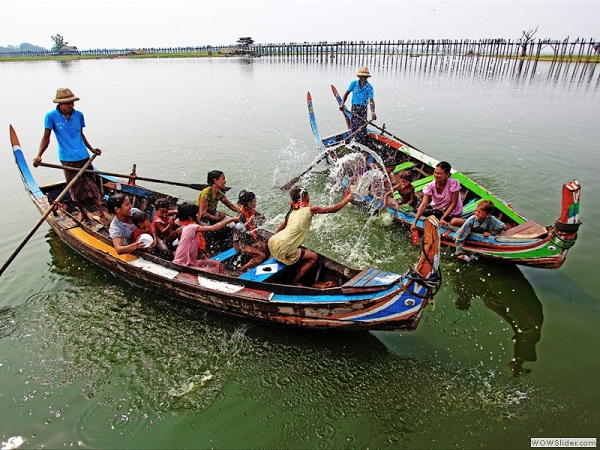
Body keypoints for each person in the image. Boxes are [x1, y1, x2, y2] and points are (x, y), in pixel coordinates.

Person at [33, 87, 109, 226]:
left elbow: (80, 134)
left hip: (83, 156)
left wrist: (92, 149)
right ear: (60, 104)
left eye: (72, 102)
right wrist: (39, 155)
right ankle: (82, 211)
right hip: (67, 159)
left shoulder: (79, 115)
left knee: (92, 185)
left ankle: (102, 213)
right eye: (68, 103)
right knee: (74, 188)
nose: (71, 105)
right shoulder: (51, 116)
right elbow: (46, 138)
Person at [268, 186, 352, 286]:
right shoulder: (310, 210)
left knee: (282, 249)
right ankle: (294, 282)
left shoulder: (292, 211)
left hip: (272, 241)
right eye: (308, 194)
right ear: (304, 197)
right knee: (314, 257)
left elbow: (278, 230)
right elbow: (333, 209)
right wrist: (346, 200)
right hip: (284, 246)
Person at [173, 202, 238, 272]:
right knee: (210, 272)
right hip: (183, 265)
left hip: (192, 262)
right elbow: (214, 228)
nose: (199, 215)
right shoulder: (191, 227)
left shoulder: (186, 224)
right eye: (197, 214)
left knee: (217, 264)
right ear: (190, 218)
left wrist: (204, 255)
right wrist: (231, 219)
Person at [411, 161, 463, 230]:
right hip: (438, 207)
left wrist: (442, 219)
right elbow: (423, 204)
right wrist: (414, 223)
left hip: (452, 212)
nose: (436, 175)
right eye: (435, 172)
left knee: (427, 212)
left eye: (439, 173)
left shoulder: (453, 183)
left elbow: (454, 203)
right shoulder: (431, 186)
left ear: (447, 174)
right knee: (418, 207)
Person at [196, 170, 238, 253]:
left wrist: (241, 211)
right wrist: (218, 218)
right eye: (223, 179)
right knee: (210, 231)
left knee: (233, 223)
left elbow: (231, 206)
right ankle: (210, 250)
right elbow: (203, 214)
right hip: (200, 219)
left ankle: (235, 243)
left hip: (212, 215)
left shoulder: (219, 193)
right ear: (215, 181)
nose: (225, 181)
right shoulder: (206, 192)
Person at [338, 66, 377, 144]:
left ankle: (362, 143)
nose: (364, 78)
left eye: (365, 77)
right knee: (354, 126)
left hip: (363, 108)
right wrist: (342, 104)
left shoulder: (369, 87)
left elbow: (371, 101)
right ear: (359, 76)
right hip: (355, 107)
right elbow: (346, 93)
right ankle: (353, 142)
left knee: (363, 127)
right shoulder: (354, 83)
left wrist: (373, 112)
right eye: (362, 76)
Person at [233, 190, 268, 273]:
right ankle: (240, 270)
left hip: (249, 240)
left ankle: (256, 265)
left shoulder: (251, 211)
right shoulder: (239, 216)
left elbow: (263, 218)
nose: (255, 202)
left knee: (265, 247)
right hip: (240, 243)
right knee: (261, 255)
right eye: (254, 200)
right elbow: (242, 230)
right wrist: (249, 222)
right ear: (249, 203)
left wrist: (256, 219)